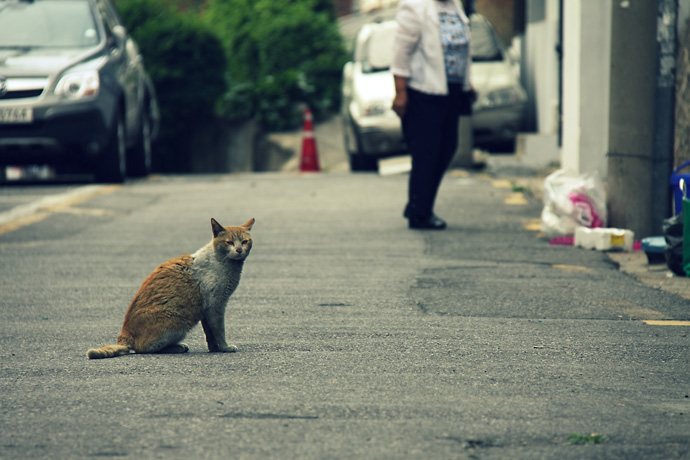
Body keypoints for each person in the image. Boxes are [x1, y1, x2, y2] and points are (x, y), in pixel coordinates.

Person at [391, 0, 474, 230]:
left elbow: (462, 49)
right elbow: (400, 53)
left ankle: (419, 205)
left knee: (448, 147)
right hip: (424, 91)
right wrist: (400, 92)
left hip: (452, 90)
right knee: (427, 152)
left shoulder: (456, 6)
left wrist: (468, 82)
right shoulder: (415, 6)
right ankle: (420, 212)